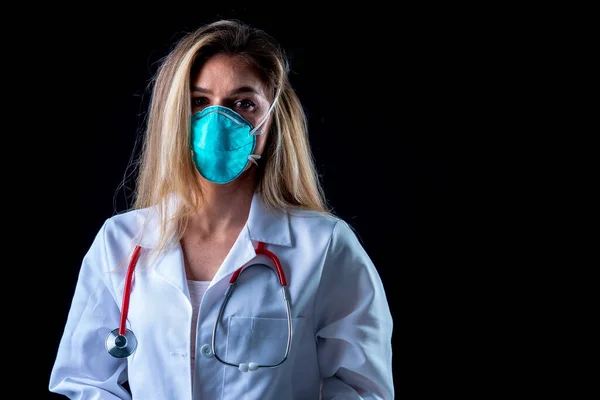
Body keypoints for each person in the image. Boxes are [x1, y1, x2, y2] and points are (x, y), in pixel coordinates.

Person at [49, 18, 394, 399]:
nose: (217, 121)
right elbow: (83, 382)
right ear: (174, 114)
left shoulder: (325, 247)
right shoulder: (121, 241)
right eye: (199, 102)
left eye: (243, 103)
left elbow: (364, 390)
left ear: (273, 117)